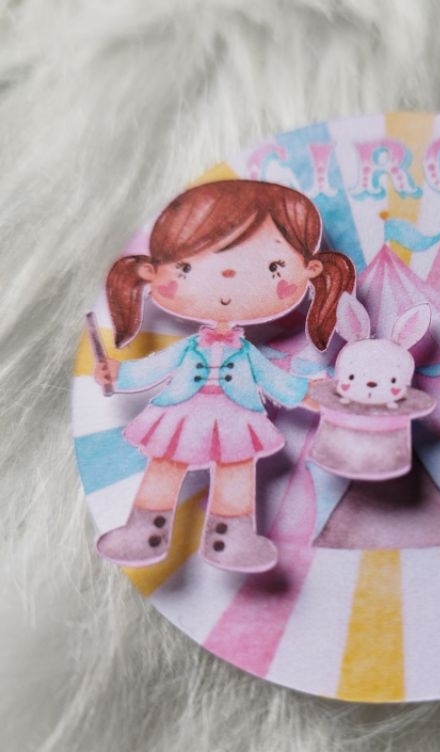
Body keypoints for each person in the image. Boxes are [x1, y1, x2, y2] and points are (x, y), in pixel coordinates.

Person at [92, 180, 355, 572]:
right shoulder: (189, 348)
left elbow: (270, 378)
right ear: (153, 271)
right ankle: (145, 530)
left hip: (236, 417)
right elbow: (154, 368)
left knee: (236, 471)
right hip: (180, 413)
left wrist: (305, 392)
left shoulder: (245, 352)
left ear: (311, 269)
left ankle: (231, 536)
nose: (229, 276)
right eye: (187, 267)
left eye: (272, 267)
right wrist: (118, 374)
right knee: (165, 465)